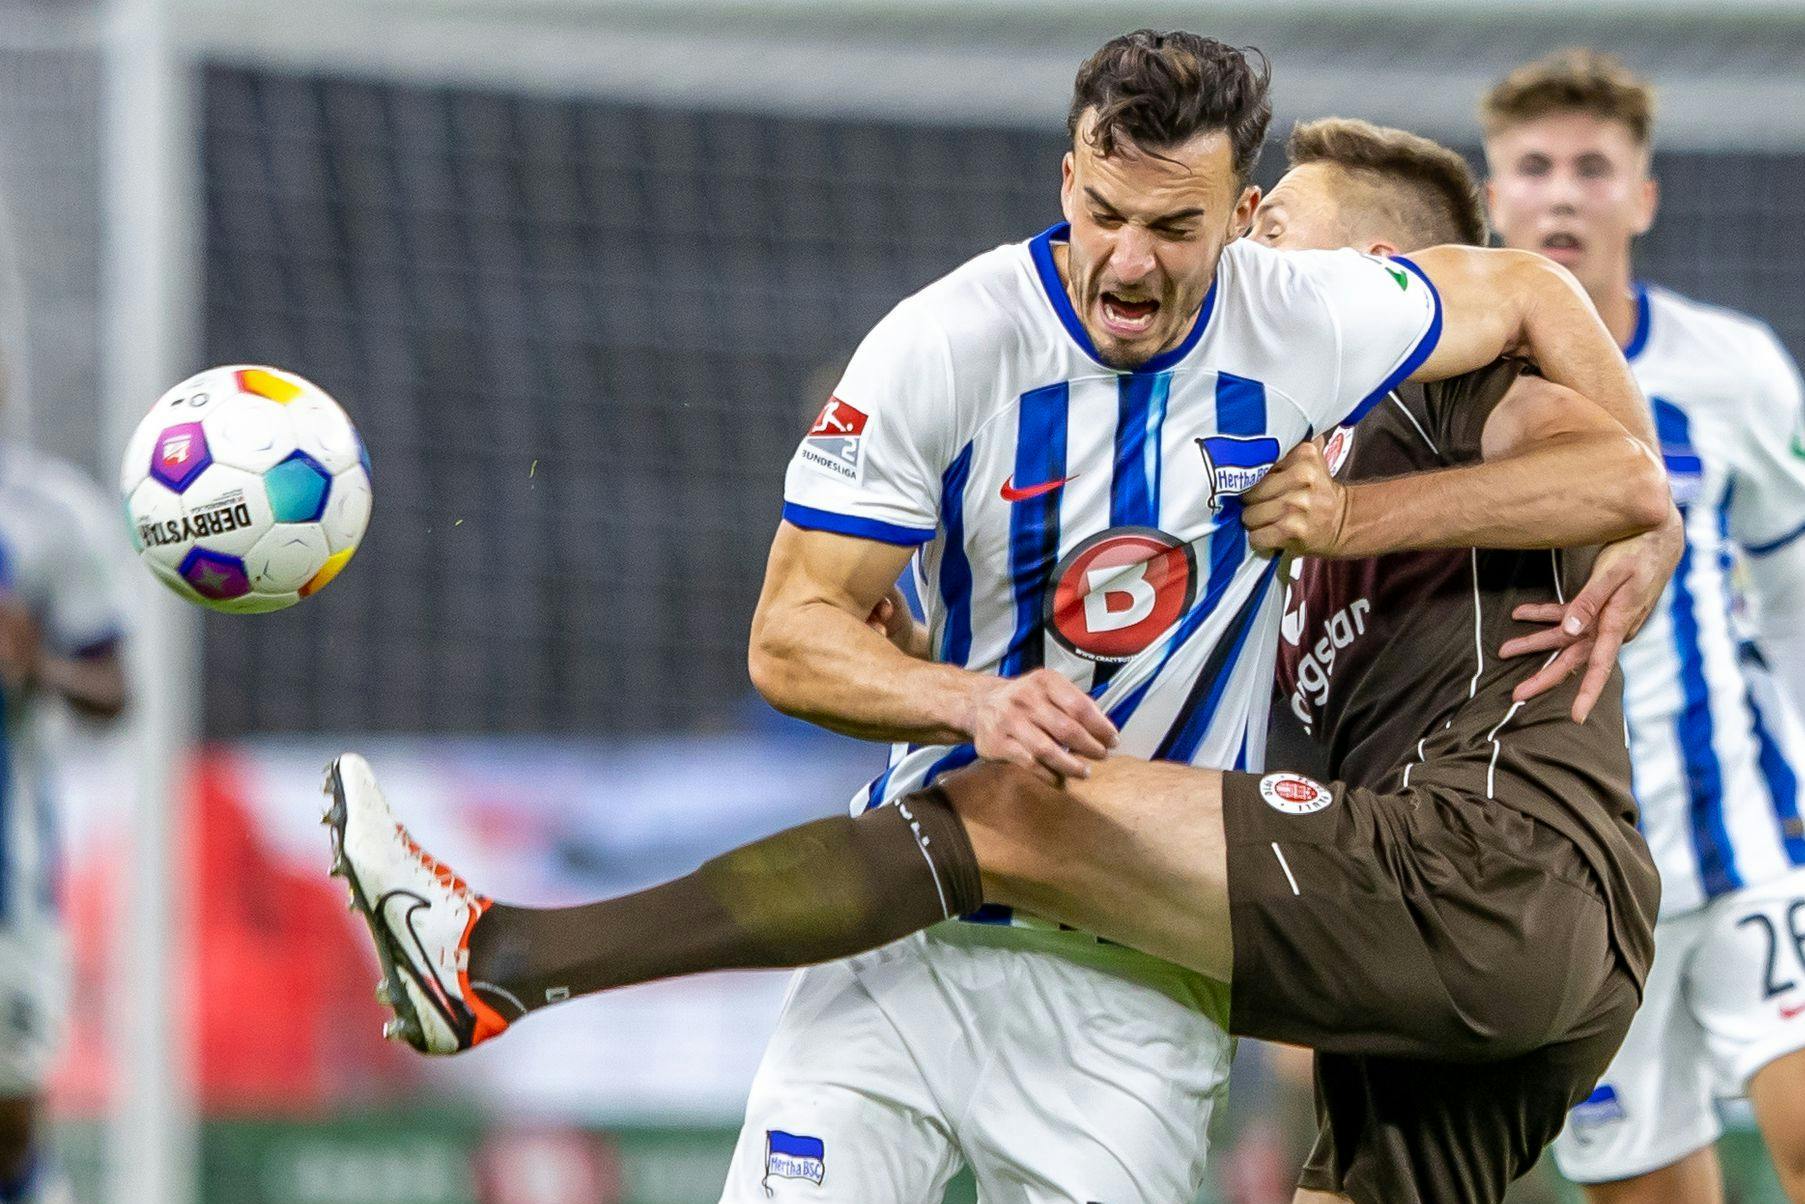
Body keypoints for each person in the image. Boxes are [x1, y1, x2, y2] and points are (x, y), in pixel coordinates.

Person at [329, 33, 1665, 1204]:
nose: (1128, 259)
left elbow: (1545, 325)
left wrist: (1637, 519)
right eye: (1103, 211)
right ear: (1063, 179)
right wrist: (956, 691)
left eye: (1181, 226)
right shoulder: (944, 341)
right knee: (1008, 792)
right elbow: (789, 636)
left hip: (1135, 991)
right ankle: (498, 959)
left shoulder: (1323, 334)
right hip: (903, 936)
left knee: (1027, 800)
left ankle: (509, 955)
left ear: (1241, 217)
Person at [1480, 50, 1805, 1204]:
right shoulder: (1445, 396)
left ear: (1642, 196)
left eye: (1592, 168)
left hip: (1743, 836)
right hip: (1573, 877)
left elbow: (1791, 592)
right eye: (1533, 167)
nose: (1562, 194)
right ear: (1492, 196)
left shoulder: (1733, 371)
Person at [0, 441, 128, 1204]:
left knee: (9, 1127)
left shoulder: (48, 514)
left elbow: (114, 691)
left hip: (6, 886)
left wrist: (35, 665)